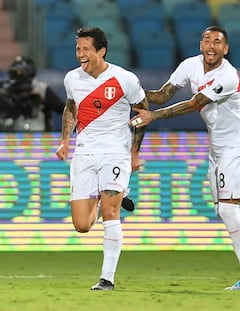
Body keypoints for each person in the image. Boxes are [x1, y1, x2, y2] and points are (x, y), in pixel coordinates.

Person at [129, 25, 240, 290]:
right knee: (224, 209)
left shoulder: (228, 76)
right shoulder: (190, 65)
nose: (211, 46)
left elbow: (194, 104)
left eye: (217, 42)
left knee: (227, 208)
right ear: (200, 44)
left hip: (237, 146)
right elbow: (164, 94)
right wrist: (131, 92)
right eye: (206, 40)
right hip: (218, 148)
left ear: (226, 49)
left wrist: (152, 116)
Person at [55, 27, 148, 290]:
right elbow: (71, 107)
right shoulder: (71, 78)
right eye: (77, 49)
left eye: (86, 49)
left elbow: (143, 111)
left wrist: (133, 152)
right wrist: (65, 140)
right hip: (84, 152)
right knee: (82, 225)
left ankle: (107, 278)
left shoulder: (124, 79)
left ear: (101, 51)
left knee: (110, 211)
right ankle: (118, 191)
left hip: (115, 152)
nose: (80, 55)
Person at [0, 55, 65, 132]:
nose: (14, 76)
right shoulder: (8, 91)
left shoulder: (41, 89)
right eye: (13, 72)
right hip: (13, 141)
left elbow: (63, 110)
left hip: (38, 139)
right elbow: (0, 117)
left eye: (18, 72)